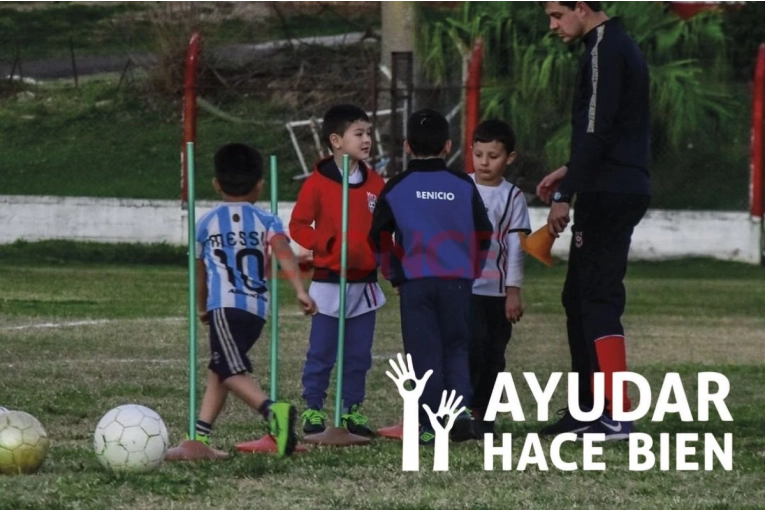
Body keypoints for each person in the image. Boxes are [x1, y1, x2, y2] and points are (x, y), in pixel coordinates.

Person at [536, 0, 651, 440]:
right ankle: (588, 407)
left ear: (581, 7)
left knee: (598, 297)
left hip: (611, 190)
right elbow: (612, 128)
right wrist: (572, 170)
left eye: (557, 15)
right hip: (612, 182)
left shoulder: (605, 48)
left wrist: (567, 193)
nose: (552, 25)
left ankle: (616, 413)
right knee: (578, 296)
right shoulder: (614, 46)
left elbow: (596, 127)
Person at [368, 108, 493, 445]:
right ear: (448, 145)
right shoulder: (462, 185)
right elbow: (484, 231)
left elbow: (378, 235)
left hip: (416, 283)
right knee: (456, 348)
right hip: (457, 281)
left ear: (407, 146)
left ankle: (428, 424)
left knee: (423, 354)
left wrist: (394, 273)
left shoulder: (397, 187)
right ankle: (460, 413)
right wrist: (473, 269)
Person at [194, 143, 317, 458]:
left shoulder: (206, 224)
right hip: (256, 311)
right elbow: (284, 253)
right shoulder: (268, 220)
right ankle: (200, 436)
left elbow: (201, 272)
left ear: (216, 184)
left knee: (228, 368)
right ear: (260, 184)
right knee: (219, 367)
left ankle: (272, 410)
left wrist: (201, 306)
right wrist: (300, 290)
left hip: (225, 305)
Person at [289, 104, 386, 438]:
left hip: (365, 284)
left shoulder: (377, 183)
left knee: (359, 354)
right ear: (336, 140)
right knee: (322, 352)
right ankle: (314, 408)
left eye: (369, 133)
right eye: (358, 133)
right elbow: (298, 225)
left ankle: (351, 410)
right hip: (329, 283)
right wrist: (328, 243)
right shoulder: (317, 183)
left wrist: (384, 257)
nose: (367, 140)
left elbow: (385, 230)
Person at [468, 120, 531, 435]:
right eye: (479, 154)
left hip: (495, 293)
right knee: (466, 351)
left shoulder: (513, 197)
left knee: (493, 356)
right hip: (463, 289)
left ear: (509, 157)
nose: (484, 162)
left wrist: (513, 291)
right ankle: (459, 411)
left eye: (493, 156)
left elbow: (516, 247)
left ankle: (484, 414)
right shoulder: (459, 188)